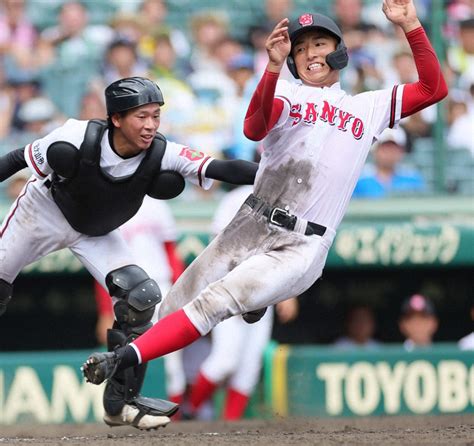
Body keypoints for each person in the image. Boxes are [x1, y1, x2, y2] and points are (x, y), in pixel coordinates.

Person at [82, 0, 447, 399]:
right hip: (251, 222)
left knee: (215, 302)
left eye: (320, 43)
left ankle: (121, 360)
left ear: (340, 50)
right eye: (302, 47)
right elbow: (254, 128)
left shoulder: (368, 106)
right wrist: (272, 68)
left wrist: (410, 24)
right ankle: (121, 397)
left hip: (303, 242)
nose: (310, 53)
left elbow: (434, 88)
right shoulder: (288, 93)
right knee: (171, 307)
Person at [0, 76, 258, 430]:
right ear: (116, 118)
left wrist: (272, 178)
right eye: (142, 116)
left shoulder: (161, 151)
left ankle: (119, 404)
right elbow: (16, 158)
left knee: (141, 298)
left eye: (156, 116)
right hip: (42, 214)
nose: (151, 125)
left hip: (95, 231)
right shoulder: (74, 138)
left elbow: (219, 168)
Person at [187, 185, 299, 420]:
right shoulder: (235, 199)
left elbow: (290, 252)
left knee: (248, 368)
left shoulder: (285, 199)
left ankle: (229, 430)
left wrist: (289, 294)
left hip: (264, 293)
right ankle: (190, 412)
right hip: (229, 291)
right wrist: (237, 288)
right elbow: (219, 250)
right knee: (225, 361)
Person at [352, 127, 425, 198]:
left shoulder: (413, 178)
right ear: (375, 150)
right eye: (385, 148)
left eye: (394, 149)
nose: (389, 153)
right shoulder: (359, 179)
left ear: (401, 152)